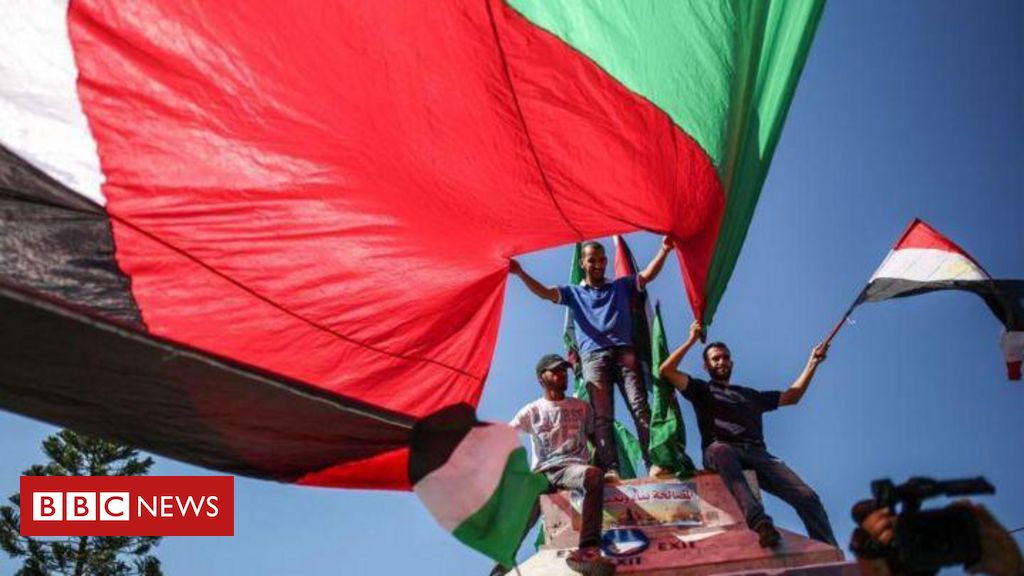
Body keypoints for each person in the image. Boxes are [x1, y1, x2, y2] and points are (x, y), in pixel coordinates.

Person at [658, 320, 837, 548]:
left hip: (757, 454)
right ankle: (760, 522)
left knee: (809, 499)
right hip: (720, 450)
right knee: (721, 450)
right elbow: (666, 370)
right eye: (716, 358)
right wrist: (692, 339)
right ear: (706, 366)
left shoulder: (751, 395)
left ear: (731, 361)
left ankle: (830, 552)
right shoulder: (701, 389)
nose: (721, 361)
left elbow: (793, 396)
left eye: (725, 357)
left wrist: (813, 362)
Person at [509, 237, 676, 479]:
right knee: (602, 416)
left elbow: (647, 275)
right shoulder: (573, 292)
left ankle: (654, 463)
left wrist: (664, 249)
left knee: (640, 407)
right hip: (593, 358)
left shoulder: (620, 286)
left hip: (624, 352)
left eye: (601, 260)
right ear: (582, 263)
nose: (598, 264)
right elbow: (545, 293)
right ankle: (612, 468)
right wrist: (520, 272)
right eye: (592, 260)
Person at [499, 353, 614, 576]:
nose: (562, 374)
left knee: (593, 476)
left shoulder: (581, 407)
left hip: (571, 468)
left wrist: (601, 466)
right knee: (522, 516)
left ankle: (587, 551)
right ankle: (501, 565)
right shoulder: (532, 410)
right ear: (542, 378)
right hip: (542, 472)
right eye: (556, 370)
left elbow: (595, 442)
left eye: (564, 370)